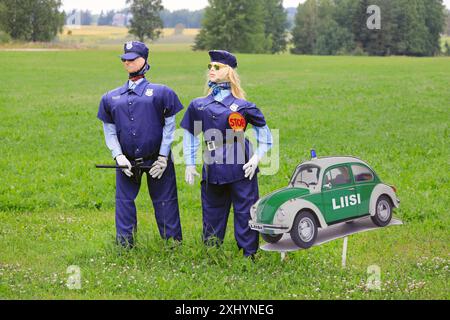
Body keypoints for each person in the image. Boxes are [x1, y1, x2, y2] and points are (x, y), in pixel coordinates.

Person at [181, 50, 273, 258]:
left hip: (241, 163)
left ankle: (249, 254)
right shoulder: (199, 105)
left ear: (228, 72)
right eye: (210, 67)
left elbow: (266, 137)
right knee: (212, 209)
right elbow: (190, 136)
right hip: (212, 164)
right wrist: (189, 163)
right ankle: (212, 251)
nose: (211, 70)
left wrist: (255, 158)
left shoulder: (244, 106)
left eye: (217, 67)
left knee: (245, 209)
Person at [97, 41, 183, 248]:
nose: (128, 62)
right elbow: (109, 130)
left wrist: (163, 157)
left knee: (165, 201)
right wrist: (118, 156)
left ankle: (173, 244)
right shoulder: (110, 97)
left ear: (145, 60)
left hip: (156, 159)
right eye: (125, 59)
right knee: (124, 202)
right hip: (126, 160)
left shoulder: (162, 93)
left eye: (133, 59)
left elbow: (170, 127)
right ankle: (124, 245)